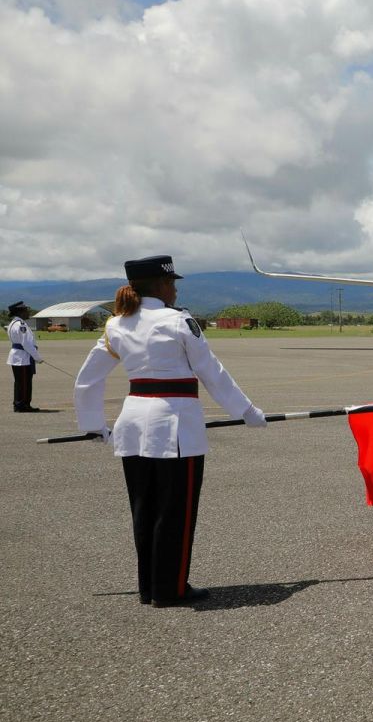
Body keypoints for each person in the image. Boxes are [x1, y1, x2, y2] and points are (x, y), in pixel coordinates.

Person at [74, 255, 267, 607]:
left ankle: (149, 587)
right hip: (175, 427)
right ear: (160, 286)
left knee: (144, 509)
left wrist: (93, 426)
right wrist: (247, 412)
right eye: (172, 282)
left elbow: (87, 379)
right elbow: (212, 372)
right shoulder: (178, 321)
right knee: (175, 510)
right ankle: (171, 589)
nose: (175, 288)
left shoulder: (117, 325)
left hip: (131, 426)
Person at [7, 301, 44, 412]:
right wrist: (38, 357)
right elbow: (27, 344)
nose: (28, 312)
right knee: (24, 382)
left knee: (19, 382)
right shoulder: (21, 325)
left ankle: (19, 404)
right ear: (20, 312)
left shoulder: (14, 323)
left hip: (18, 356)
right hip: (22, 358)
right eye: (26, 310)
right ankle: (22, 405)